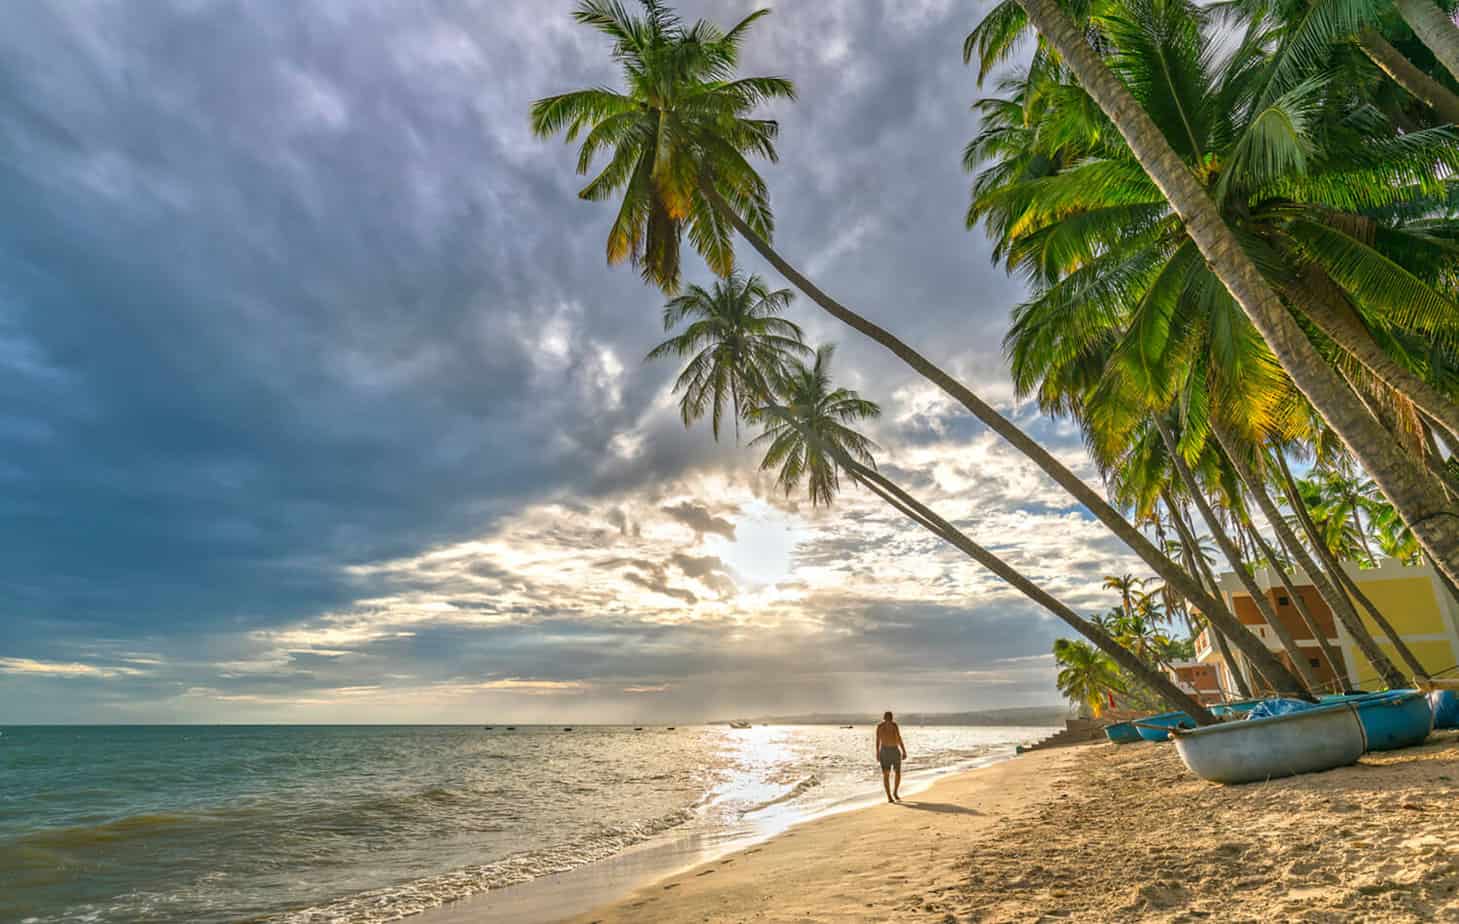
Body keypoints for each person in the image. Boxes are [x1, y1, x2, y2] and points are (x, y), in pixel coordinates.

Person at [875, 711, 907, 803]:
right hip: (884, 751)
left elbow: (899, 737)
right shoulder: (880, 727)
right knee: (886, 773)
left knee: (898, 773)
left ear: (892, 718)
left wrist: (904, 750)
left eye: (890, 718)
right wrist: (877, 753)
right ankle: (889, 796)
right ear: (884, 718)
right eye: (887, 718)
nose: (889, 719)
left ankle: (895, 792)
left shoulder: (894, 725)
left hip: (895, 750)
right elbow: (877, 740)